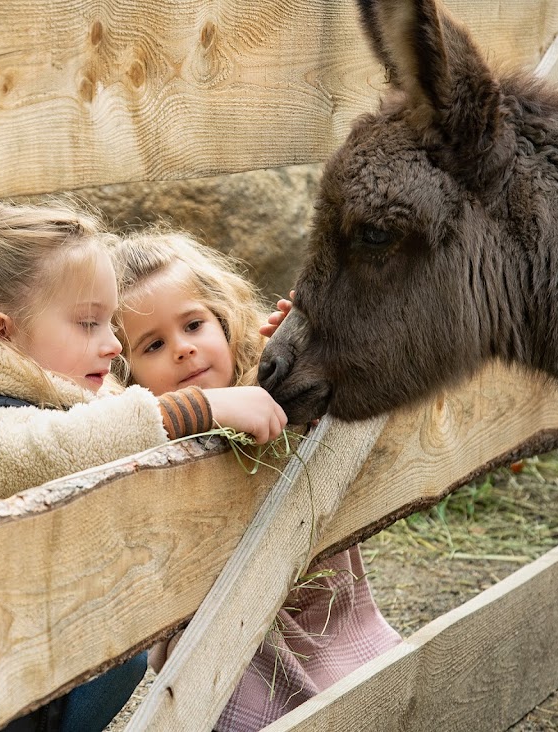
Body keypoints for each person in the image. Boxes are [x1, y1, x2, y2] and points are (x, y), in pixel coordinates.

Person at [0, 201, 288, 731]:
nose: (114, 343)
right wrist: (200, 408)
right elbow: (48, 449)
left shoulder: (48, 388)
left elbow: (128, 416)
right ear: (0, 333)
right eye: (89, 323)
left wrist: (287, 358)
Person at [109, 228, 402, 732]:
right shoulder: (140, 440)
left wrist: (307, 362)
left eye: (194, 325)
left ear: (223, 323)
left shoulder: (269, 392)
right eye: (153, 344)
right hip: (223, 652)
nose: (182, 349)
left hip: (325, 616)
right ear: (125, 372)